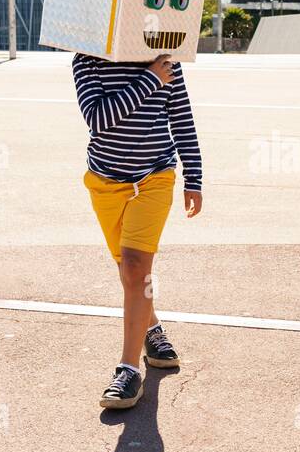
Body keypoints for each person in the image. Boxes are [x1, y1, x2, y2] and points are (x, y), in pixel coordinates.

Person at [72, 51, 203, 410]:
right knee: (126, 268)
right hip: (105, 182)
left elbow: (182, 119)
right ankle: (152, 328)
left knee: (135, 267)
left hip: (155, 178)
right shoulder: (88, 59)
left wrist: (194, 176)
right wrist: (149, 80)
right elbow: (98, 119)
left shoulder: (165, 59)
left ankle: (128, 371)